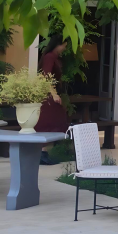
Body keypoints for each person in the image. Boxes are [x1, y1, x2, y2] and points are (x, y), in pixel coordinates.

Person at [37, 36, 70, 165]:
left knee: (57, 121)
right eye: (64, 45)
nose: (64, 48)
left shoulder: (55, 57)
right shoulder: (49, 57)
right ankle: (41, 152)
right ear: (58, 44)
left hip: (52, 94)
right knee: (48, 123)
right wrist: (54, 94)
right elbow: (46, 76)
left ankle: (43, 152)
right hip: (48, 95)